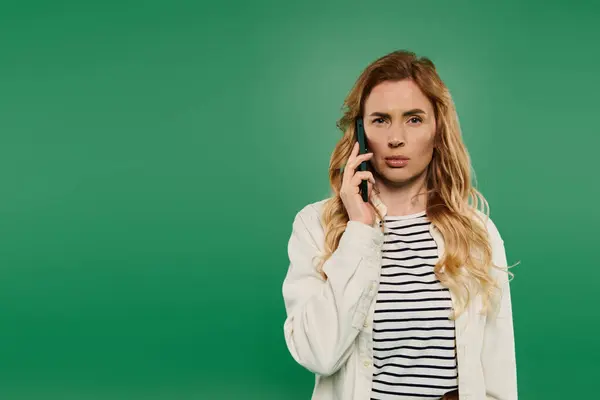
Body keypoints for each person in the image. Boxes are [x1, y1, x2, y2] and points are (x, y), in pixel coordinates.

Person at [281, 50, 518, 400]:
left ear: (438, 130)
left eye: (413, 119)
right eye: (380, 120)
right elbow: (318, 354)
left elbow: (497, 370)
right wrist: (360, 230)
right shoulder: (315, 226)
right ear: (360, 131)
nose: (396, 138)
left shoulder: (476, 232)